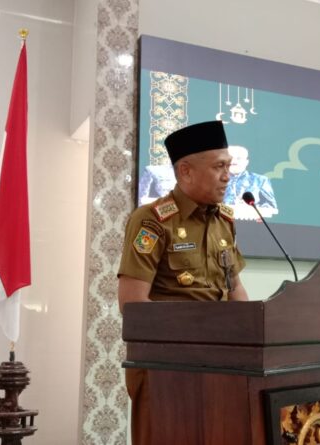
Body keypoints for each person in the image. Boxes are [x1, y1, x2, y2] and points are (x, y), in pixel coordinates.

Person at [116, 120, 249, 445]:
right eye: (218, 167)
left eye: (228, 166)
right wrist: (196, 341)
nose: (227, 176)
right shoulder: (152, 220)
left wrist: (252, 336)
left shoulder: (224, 221)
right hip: (166, 369)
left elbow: (235, 289)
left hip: (221, 367)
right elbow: (132, 306)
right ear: (186, 171)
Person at [223, 145, 278, 219]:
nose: (234, 161)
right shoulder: (215, 180)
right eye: (231, 158)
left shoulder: (260, 180)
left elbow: (271, 206)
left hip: (251, 223)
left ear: (246, 162)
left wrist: (253, 209)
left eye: (238, 158)